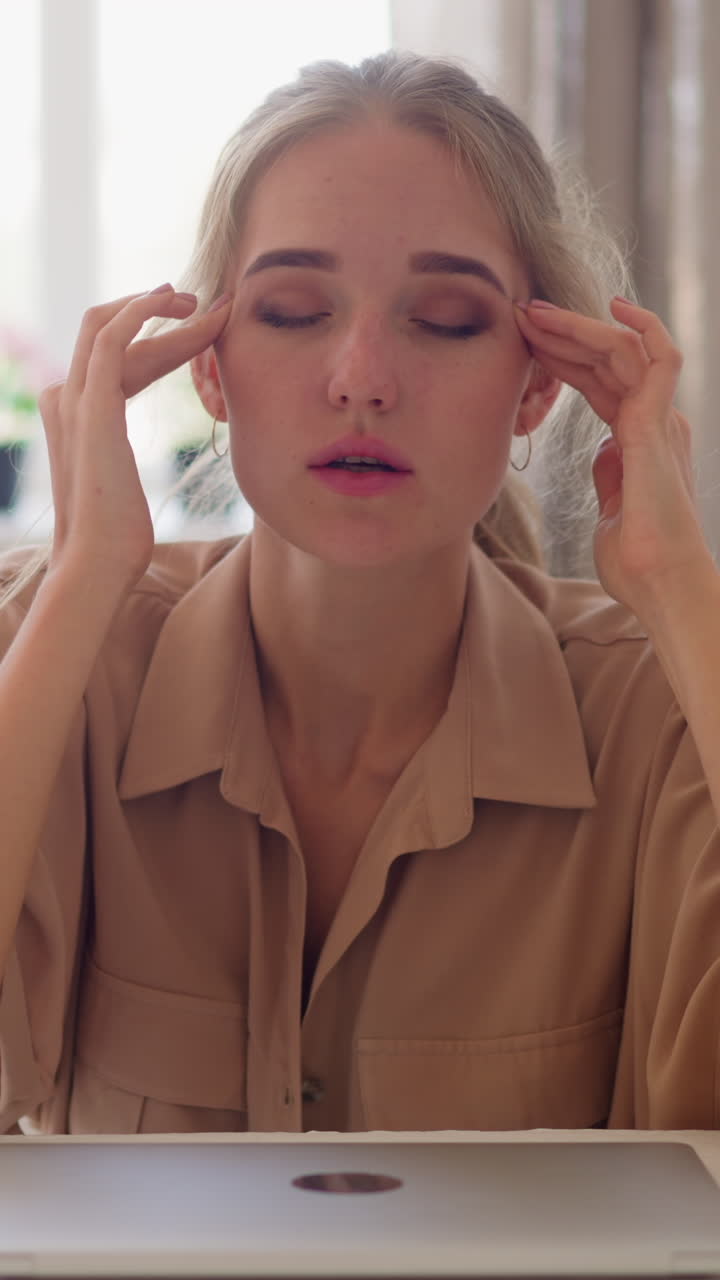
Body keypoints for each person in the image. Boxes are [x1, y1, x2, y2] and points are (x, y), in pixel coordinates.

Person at [0, 48, 717, 1138]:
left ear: (537, 383)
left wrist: (681, 588)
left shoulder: (661, 712)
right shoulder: (48, 653)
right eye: (294, 310)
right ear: (208, 367)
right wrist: (85, 570)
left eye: (446, 318)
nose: (364, 378)